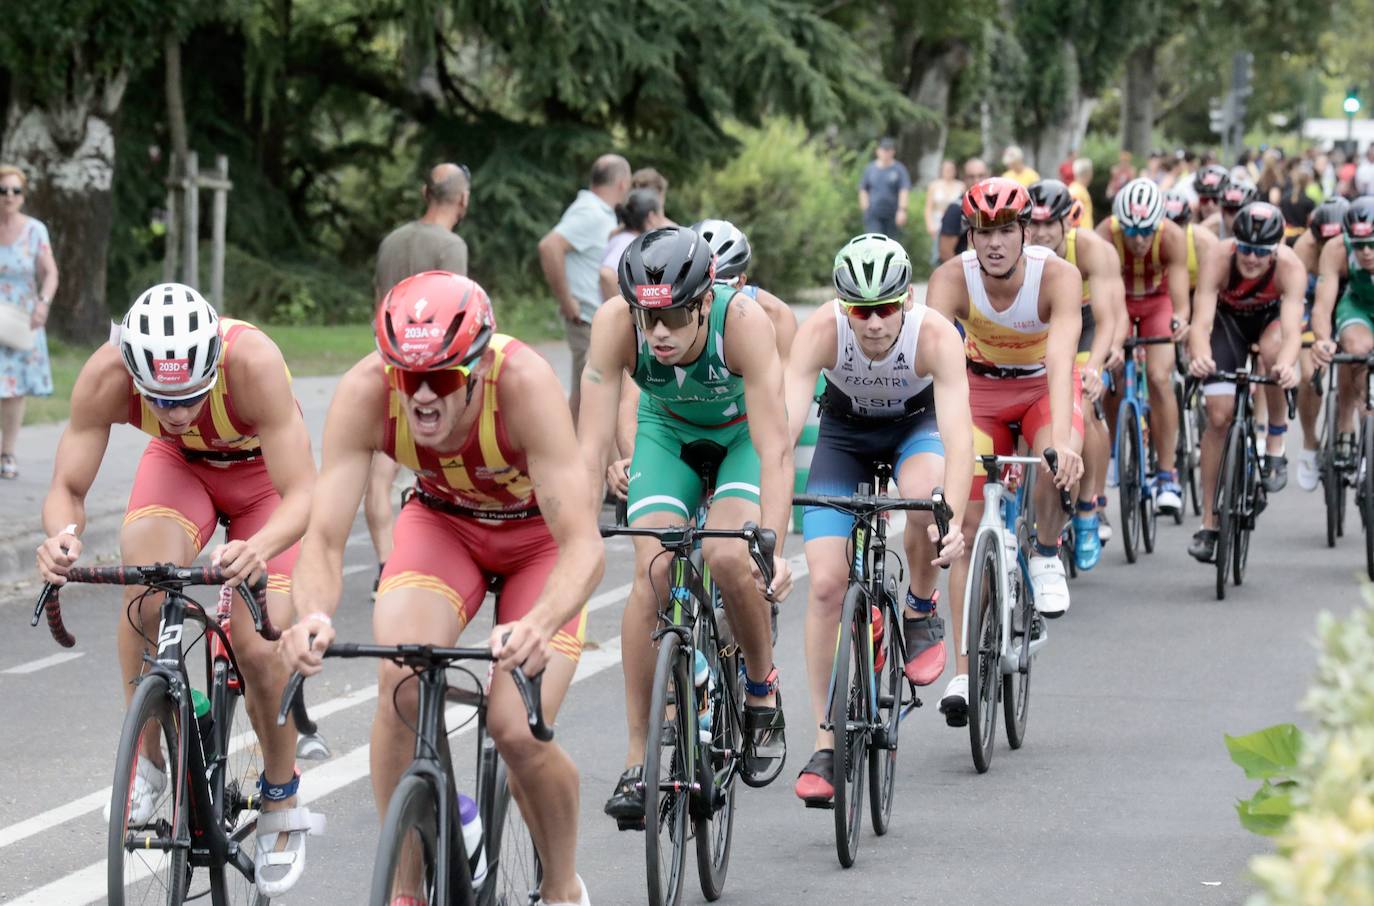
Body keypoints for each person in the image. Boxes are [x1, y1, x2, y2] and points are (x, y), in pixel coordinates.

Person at [278, 272, 602, 906]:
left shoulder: (524, 385)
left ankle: (562, 887)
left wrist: (539, 622)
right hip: (444, 527)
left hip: (539, 541)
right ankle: (408, 890)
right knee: (399, 677)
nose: (422, 395)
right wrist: (310, 615)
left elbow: (584, 545)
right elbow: (321, 539)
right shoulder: (366, 393)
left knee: (514, 728)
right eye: (407, 374)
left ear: (478, 368)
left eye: (445, 376)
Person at [36, 284, 320, 896]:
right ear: (133, 371)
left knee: (259, 641)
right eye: (162, 399)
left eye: (192, 395)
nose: (179, 411)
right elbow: (68, 486)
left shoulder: (255, 362)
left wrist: (260, 548)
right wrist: (62, 535)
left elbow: (302, 493)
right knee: (144, 591)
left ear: (213, 365)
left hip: (264, 486)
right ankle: (152, 757)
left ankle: (281, 794)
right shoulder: (106, 375)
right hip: (182, 471)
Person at [578, 226, 796, 823]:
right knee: (652, 574)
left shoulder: (744, 322)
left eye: (675, 317)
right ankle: (638, 762)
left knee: (729, 557)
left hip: (739, 439)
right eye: (648, 322)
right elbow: (587, 445)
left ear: (704, 301)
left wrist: (772, 546)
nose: (660, 335)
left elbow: (776, 448)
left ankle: (760, 689)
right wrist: (569, 535)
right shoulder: (614, 327)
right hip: (667, 435)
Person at [783, 234, 971, 802]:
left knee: (924, 500)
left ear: (906, 301)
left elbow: (960, 437)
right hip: (845, 436)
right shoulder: (819, 331)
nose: (873, 323)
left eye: (885, 308)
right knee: (823, 585)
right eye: (860, 310)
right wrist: (764, 516)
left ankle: (918, 607)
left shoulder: (933, 334)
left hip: (916, 428)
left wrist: (954, 518)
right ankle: (824, 741)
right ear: (843, 307)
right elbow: (781, 434)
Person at [924, 177, 1085, 725]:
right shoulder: (950, 279)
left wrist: (1061, 443)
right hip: (981, 393)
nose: (994, 243)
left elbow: (1063, 362)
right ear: (969, 235)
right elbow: (934, 366)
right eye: (983, 232)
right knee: (963, 527)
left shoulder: (1058, 276)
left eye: (1006, 231)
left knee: (1058, 464)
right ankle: (964, 673)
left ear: (1025, 232)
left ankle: (1043, 551)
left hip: (1042, 388)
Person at [366, 162, 473, 598]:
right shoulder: (451, 245)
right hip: (432, 368)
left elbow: (378, 299)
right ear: (462, 200)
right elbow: (458, 309)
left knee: (381, 469)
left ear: (426, 193)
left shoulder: (393, 240)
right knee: (434, 463)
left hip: (389, 358)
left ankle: (383, 565)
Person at [1187, 203, 1304, 562]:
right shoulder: (1219, 259)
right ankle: (1209, 521)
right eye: (1246, 250)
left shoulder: (1290, 267)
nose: (1252, 259)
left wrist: (1286, 365)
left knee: (1273, 357)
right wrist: (1200, 355)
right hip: (1228, 325)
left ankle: (1275, 444)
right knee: (1218, 417)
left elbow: (1292, 330)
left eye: (1262, 252)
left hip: (1270, 324)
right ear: (1236, 243)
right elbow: (1201, 321)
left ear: (1275, 250)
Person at [1027, 179, 1125, 570]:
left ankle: (1088, 507)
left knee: (1083, 400)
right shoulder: (1015, 249)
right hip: (1037, 329)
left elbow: (1107, 320)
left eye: (1050, 223)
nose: (1041, 232)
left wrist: (1096, 366)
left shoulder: (1091, 250)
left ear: (1067, 221)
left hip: (1084, 327)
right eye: (1033, 223)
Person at [1095, 178, 1190, 514]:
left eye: (1147, 231)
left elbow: (1179, 298)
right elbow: (1100, 293)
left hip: (1155, 302)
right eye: (1132, 232)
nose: (1140, 240)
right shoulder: (1105, 234)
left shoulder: (1172, 237)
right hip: (1117, 301)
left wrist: (1179, 321)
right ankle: (1109, 455)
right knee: (1110, 379)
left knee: (1159, 376)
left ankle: (1167, 474)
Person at [539, 154, 632, 423]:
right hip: (587, 320)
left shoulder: (598, 211)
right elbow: (550, 246)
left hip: (594, 320)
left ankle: (572, 457)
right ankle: (576, 461)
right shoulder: (590, 212)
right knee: (593, 402)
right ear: (623, 184)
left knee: (584, 398)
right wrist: (566, 300)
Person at [0, 164, 57, 480]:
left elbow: (50, 272)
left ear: (23, 196)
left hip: (21, 318)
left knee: (12, 390)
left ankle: (7, 452)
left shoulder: (35, 231)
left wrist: (43, 304)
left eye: (15, 191)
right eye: (3, 190)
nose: (9, 197)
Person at [1312, 198, 1374, 474]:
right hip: (1358, 304)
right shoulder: (1336, 249)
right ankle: (1350, 423)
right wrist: (1323, 339)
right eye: (1359, 245)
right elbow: (1323, 306)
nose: (1367, 252)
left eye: (1373, 243)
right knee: (1355, 349)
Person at [1292, 197, 1349, 490]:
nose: (1330, 245)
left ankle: (1347, 432)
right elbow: (1295, 299)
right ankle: (1310, 441)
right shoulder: (1304, 248)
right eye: (1323, 239)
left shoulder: (1356, 247)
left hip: (1347, 303)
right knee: (1307, 374)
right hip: (1312, 304)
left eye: (1336, 238)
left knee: (1357, 365)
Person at [598, 187, 669, 303]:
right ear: (651, 217)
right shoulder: (628, 242)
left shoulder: (625, 239)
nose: (663, 221)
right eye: (661, 215)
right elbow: (606, 274)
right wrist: (621, 311)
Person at [859, 137, 912, 239]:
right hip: (874, 213)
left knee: (890, 244)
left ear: (893, 152)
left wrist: (902, 210)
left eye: (888, 150)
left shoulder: (899, 169)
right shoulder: (870, 169)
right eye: (884, 150)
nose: (886, 153)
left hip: (892, 214)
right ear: (878, 151)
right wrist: (865, 208)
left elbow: (904, 190)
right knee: (874, 241)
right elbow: (863, 189)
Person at [938, 157, 990, 262]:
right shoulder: (956, 209)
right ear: (964, 179)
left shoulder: (994, 205)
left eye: (981, 176)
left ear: (988, 176)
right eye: (971, 177)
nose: (977, 180)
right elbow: (945, 253)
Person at [923, 160, 965, 266]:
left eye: (951, 169)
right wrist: (930, 225)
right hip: (938, 223)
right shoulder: (934, 185)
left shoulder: (961, 186)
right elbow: (928, 207)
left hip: (955, 223)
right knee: (938, 253)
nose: (948, 171)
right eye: (946, 169)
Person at [1069, 157, 1096, 229]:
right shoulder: (1077, 192)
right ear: (1088, 173)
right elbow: (1072, 220)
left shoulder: (1078, 189)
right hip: (1081, 236)